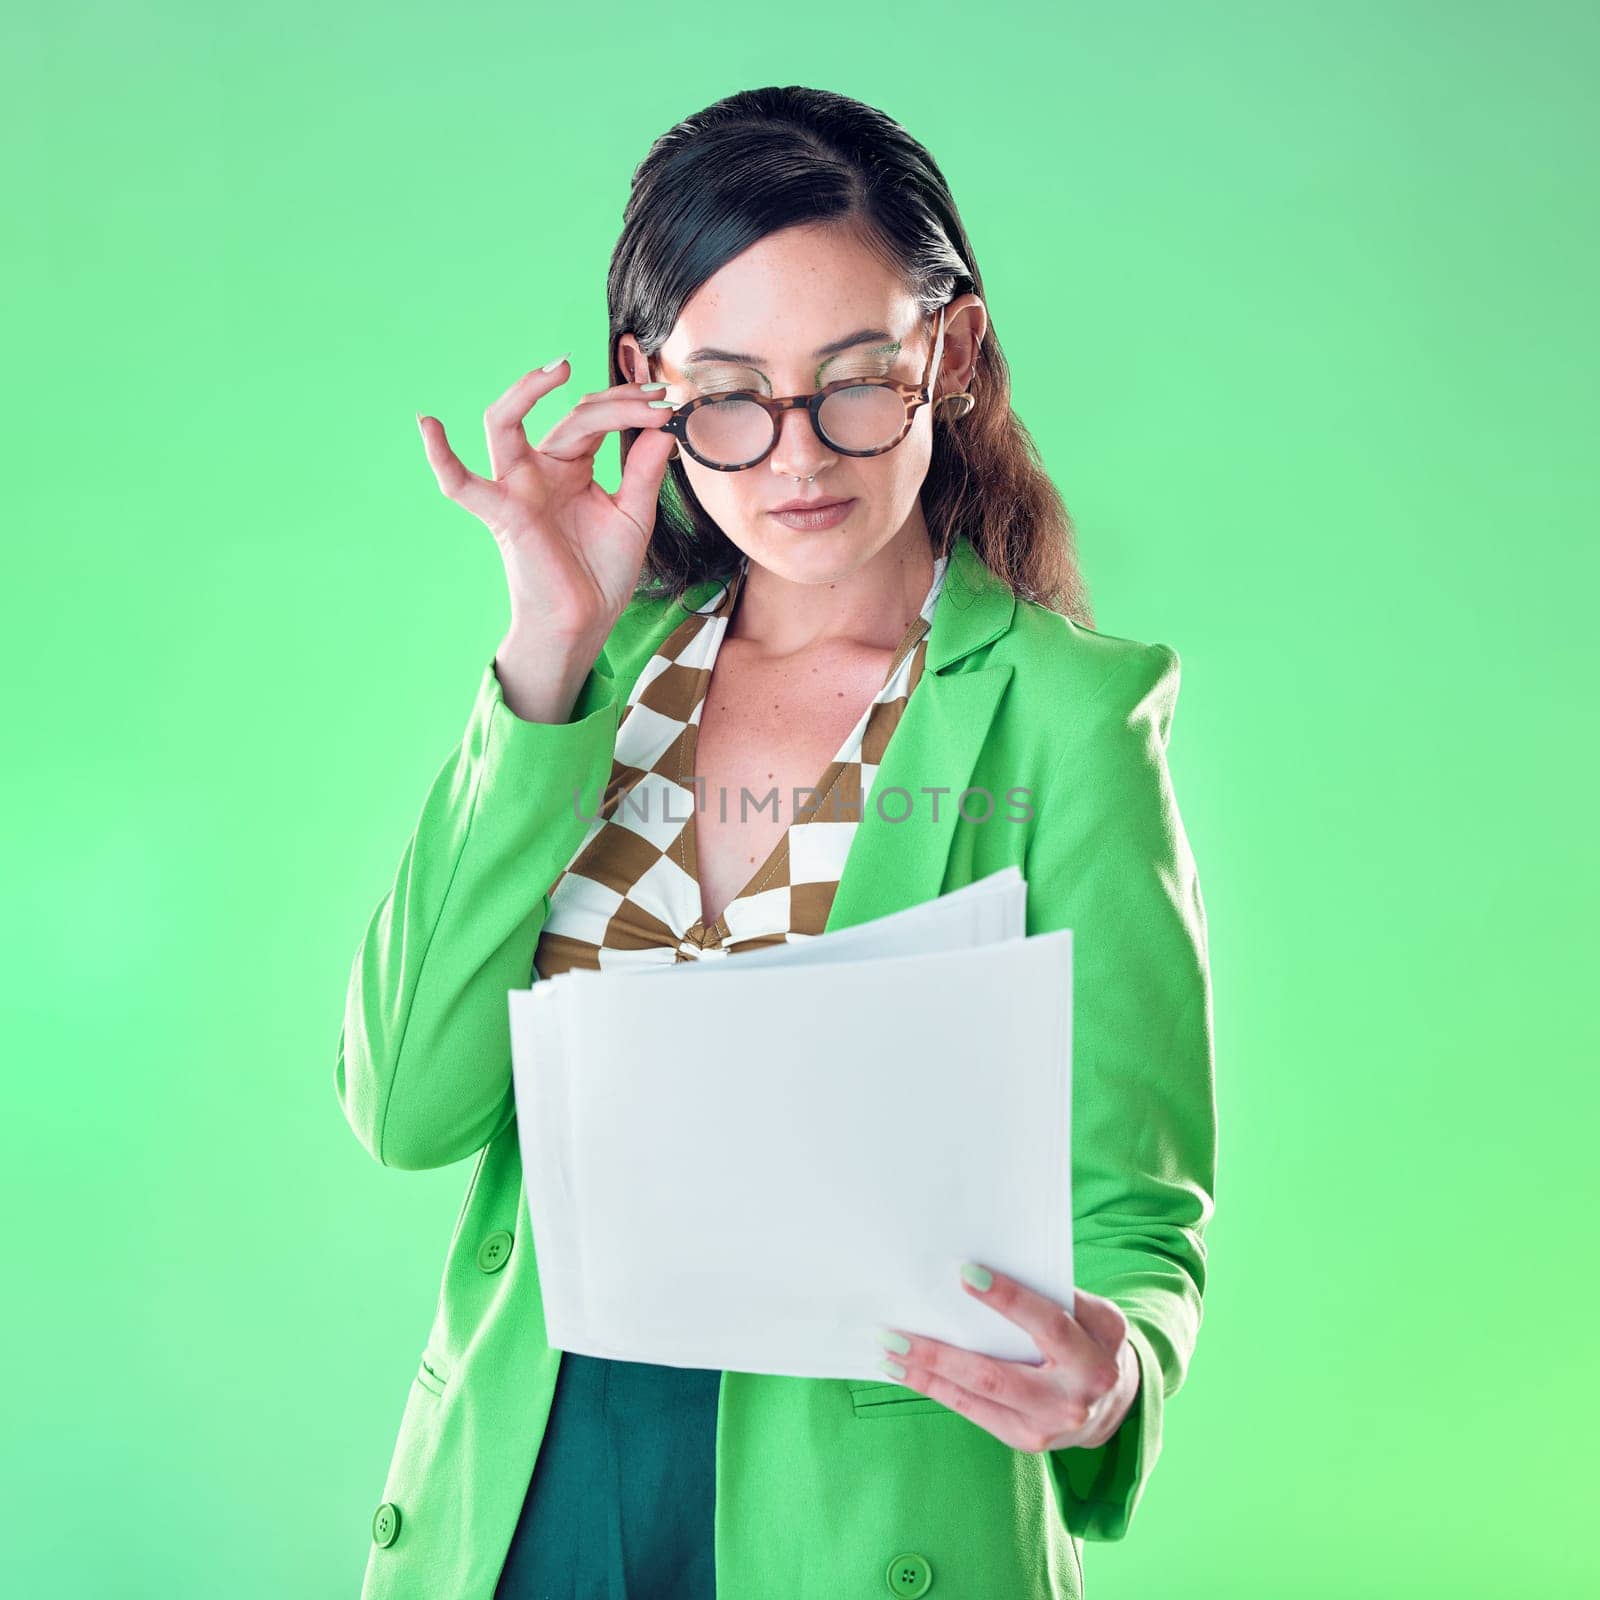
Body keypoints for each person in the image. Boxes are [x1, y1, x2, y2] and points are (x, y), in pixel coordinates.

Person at [336, 83, 1216, 1600]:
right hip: (530, 1480)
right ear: (646, 385)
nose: (796, 455)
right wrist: (547, 642)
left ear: (946, 353)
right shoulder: (590, 683)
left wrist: (1118, 1369)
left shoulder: (1066, 716)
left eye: (856, 381)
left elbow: (1135, 1208)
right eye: (729, 392)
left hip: (870, 1505)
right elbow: (410, 1109)